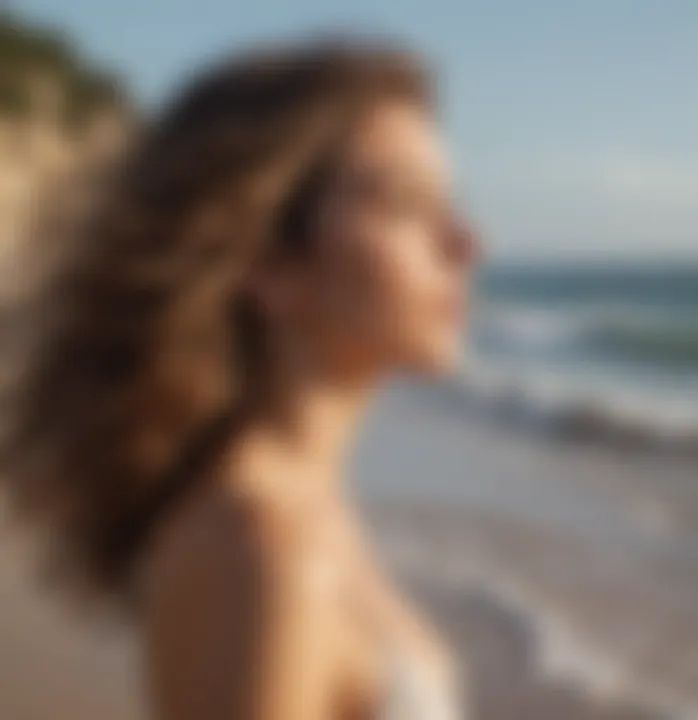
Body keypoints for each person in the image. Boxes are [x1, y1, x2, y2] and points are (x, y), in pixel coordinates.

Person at [3, 38, 476, 719]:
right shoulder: (263, 548)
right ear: (267, 263)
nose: (464, 243)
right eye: (407, 204)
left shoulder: (293, 512)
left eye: (449, 203)